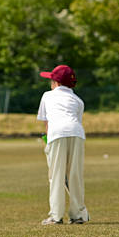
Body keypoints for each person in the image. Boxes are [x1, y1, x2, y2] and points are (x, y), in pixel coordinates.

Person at [37, 65, 89, 225]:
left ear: (57, 83)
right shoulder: (78, 100)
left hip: (57, 133)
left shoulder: (47, 96)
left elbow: (46, 123)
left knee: (56, 176)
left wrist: (47, 142)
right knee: (75, 175)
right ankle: (78, 215)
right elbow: (77, 122)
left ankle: (56, 216)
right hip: (77, 133)